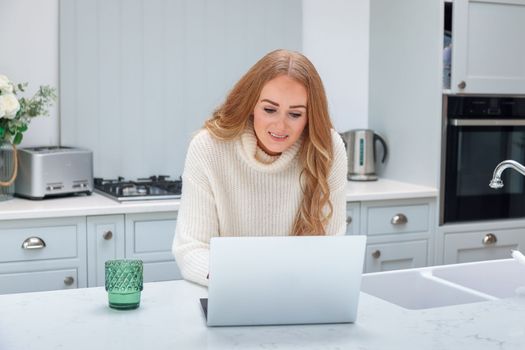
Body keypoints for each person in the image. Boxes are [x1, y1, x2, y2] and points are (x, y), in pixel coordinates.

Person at [172, 49, 347, 286]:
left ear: (309, 117)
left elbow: (331, 247)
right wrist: (243, 281)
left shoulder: (328, 148)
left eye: (295, 114)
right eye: (269, 109)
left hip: (297, 294)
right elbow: (192, 249)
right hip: (230, 291)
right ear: (251, 104)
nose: (280, 125)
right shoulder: (208, 147)